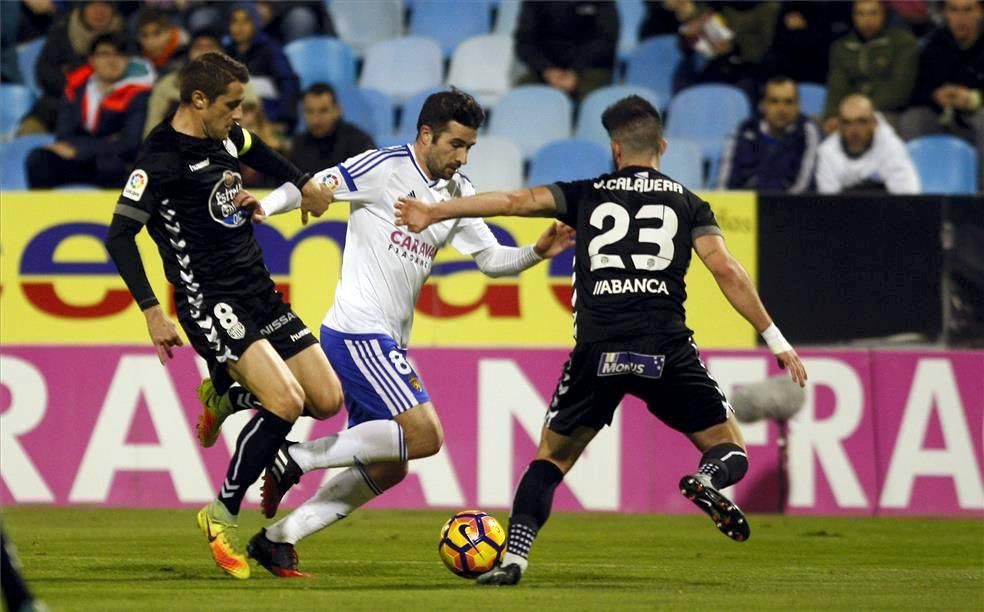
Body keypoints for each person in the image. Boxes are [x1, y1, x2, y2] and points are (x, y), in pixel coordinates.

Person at [393, 95, 809, 586]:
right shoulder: (688, 203)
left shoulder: (587, 194)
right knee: (728, 445)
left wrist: (434, 211)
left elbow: (513, 202)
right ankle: (706, 480)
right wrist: (775, 337)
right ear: (663, 146)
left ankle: (514, 559)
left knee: (551, 458)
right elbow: (726, 270)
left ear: (615, 150)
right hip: (665, 348)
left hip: (598, 350)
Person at [198, 89, 575, 577]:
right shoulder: (384, 167)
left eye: (468, 149)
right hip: (358, 330)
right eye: (454, 145)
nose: (460, 157)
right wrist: (265, 210)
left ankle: (277, 539)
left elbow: (491, 261)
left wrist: (536, 253)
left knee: (390, 463)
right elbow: (313, 185)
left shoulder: (456, 191)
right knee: (425, 434)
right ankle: (294, 457)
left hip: (386, 341)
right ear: (426, 134)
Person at [104, 51, 343, 580]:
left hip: (259, 290)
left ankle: (225, 396)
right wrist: (150, 311)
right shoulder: (159, 160)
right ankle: (220, 516)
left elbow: (261, 150)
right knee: (285, 402)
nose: (241, 114)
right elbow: (118, 236)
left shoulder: (225, 137)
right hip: (210, 301)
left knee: (326, 400)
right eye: (232, 104)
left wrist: (304, 183)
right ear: (198, 100)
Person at [26, 32, 154, 189]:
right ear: (92, 60)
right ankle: (44, 212)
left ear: (128, 60)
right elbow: (64, 136)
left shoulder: (140, 93)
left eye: (120, 54)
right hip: (83, 160)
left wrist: (80, 148)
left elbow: (130, 144)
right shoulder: (75, 88)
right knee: (39, 159)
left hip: (115, 165)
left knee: (113, 165)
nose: (112, 60)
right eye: (104, 54)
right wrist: (106, 142)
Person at [900, 0, 984, 178]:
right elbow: (915, 92)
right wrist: (935, 95)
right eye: (954, 10)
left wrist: (974, 99)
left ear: (980, 13)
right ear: (945, 14)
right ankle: (913, 184)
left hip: (976, 114)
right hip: (941, 115)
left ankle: (980, 191)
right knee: (912, 119)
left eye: (968, 10)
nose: (961, 18)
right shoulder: (935, 44)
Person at [17, 0, 125, 135]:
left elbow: (131, 76)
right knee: (35, 122)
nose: (99, 11)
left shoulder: (125, 33)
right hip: (62, 102)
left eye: (105, 5)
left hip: (112, 107)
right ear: (82, 8)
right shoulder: (62, 30)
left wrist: (72, 73)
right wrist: (83, 87)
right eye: (93, 5)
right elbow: (45, 73)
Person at [143, 28, 261, 139]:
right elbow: (152, 131)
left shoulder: (239, 84)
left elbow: (255, 125)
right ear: (189, 54)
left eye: (210, 46)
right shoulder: (168, 84)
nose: (204, 52)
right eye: (198, 47)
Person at [822, 0, 919, 134]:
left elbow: (899, 90)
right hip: (850, 112)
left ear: (884, 14)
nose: (867, 19)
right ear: (853, 16)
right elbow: (837, 87)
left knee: (878, 127)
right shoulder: (841, 47)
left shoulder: (903, 43)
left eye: (873, 13)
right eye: (860, 14)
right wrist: (831, 115)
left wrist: (861, 111)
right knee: (822, 126)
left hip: (887, 112)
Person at [717, 75, 820, 192]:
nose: (781, 109)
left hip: (791, 207)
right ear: (763, 104)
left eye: (788, 102)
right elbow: (723, 186)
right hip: (745, 207)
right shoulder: (743, 131)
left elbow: (803, 187)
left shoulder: (807, 132)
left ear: (798, 105)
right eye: (774, 101)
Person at [816, 93, 921, 194]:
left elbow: (906, 197)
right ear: (839, 125)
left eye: (862, 122)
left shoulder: (892, 148)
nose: (854, 131)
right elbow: (828, 204)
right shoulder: (827, 152)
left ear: (874, 123)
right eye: (847, 123)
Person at [514, 1, 619, 101]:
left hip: (591, 67)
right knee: (520, 96)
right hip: (545, 69)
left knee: (594, 102)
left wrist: (576, 70)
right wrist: (548, 70)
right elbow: (524, 42)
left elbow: (606, 40)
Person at [224, 2, 300, 131]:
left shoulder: (271, 49)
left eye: (245, 21)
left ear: (256, 23)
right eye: (234, 22)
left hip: (269, 119)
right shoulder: (227, 52)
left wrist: (284, 120)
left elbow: (289, 84)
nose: (239, 27)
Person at [289, 82, 376, 174]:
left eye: (323, 111)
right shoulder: (299, 144)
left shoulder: (359, 142)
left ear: (337, 110)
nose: (316, 120)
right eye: (310, 111)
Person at [135, 6, 189, 77]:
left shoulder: (188, 55)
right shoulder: (137, 60)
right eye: (144, 35)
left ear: (170, 32)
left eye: (157, 33)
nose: (150, 41)